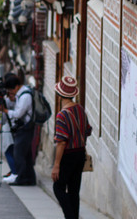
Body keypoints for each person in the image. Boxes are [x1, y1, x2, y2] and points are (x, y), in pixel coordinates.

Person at [51, 76, 92, 219]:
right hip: (80, 154)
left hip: (67, 155)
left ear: (59, 95)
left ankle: (71, 217)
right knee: (74, 191)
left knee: (58, 187)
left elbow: (61, 142)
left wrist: (56, 165)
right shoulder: (80, 109)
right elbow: (88, 130)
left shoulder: (62, 115)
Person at [0, 72, 36, 186]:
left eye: (10, 90)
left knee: (18, 154)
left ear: (16, 87)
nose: (10, 93)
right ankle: (29, 178)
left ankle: (22, 178)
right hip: (23, 127)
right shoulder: (22, 94)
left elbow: (19, 113)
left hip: (25, 128)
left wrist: (5, 111)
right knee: (26, 155)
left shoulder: (25, 96)